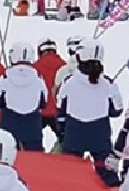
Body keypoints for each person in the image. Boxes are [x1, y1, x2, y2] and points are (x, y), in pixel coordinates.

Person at [52, 41, 121, 176]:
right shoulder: (108, 83)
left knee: (70, 173)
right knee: (106, 173)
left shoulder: (69, 82)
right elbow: (117, 111)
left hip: (74, 133)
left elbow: (60, 109)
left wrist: (61, 131)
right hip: (100, 133)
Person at [0, 43, 51, 154]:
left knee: (6, 154)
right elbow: (43, 103)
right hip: (32, 126)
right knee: (35, 158)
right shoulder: (38, 79)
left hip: (9, 124)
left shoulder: (5, 78)